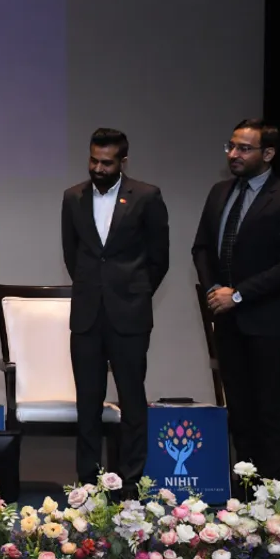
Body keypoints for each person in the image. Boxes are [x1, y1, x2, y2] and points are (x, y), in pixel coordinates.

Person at [192, 119, 280, 483]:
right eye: (230, 146)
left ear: (268, 153)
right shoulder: (219, 192)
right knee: (240, 410)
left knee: (270, 411)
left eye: (244, 148)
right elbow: (200, 248)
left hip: (268, 323)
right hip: (227, 322)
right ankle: (244, 492)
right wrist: (215, 290)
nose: (233, 154)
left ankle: (274, 495)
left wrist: (239, 295)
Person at [61, 128, 169, 489]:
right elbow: (72, 255)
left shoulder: (147, 196)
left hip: (130, 314)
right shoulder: (72, 197)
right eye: (93, 160)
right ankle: (88, 483)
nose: (98, 167)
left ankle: (131, 481)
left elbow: (159, 259)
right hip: (87, 315)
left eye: (106, 162)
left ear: (123, 162)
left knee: (132, 401)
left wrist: (134, 293)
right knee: (87, 403)